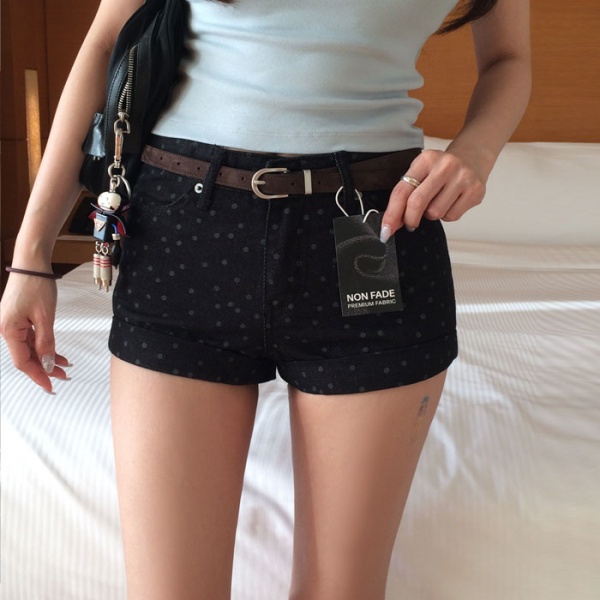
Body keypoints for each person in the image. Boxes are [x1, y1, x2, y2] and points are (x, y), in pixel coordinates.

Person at [0, 0, 531, 598]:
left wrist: (476, 151)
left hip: (372, 224)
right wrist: (32, 254)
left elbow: (508, 59)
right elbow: (106, 44)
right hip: (186, 229)